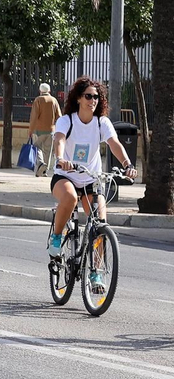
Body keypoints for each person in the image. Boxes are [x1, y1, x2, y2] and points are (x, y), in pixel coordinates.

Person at [48, 78, 137, 278]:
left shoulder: (101, 123)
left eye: (96, 97)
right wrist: (61, 159)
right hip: (65, 176)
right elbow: (59, 139)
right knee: (70, 198)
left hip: (91, 181)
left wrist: (127, 165)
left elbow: (114, 143)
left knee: (99, 224)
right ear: (79, 98)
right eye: (88, 96)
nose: (92, 100)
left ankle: (96, 271)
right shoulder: (67, 120)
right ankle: (56, 237)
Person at [29, 81, 61, 177]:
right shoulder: (54, 100)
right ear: (49, 90)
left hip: (39, 130)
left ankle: (41, 163)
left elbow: (34, 116)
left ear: (40, 90)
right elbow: (59, 115)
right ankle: (44, 171)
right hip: (51, 130)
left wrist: (31, 129)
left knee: (36, 147)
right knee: (48, 151)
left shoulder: (38, 100)